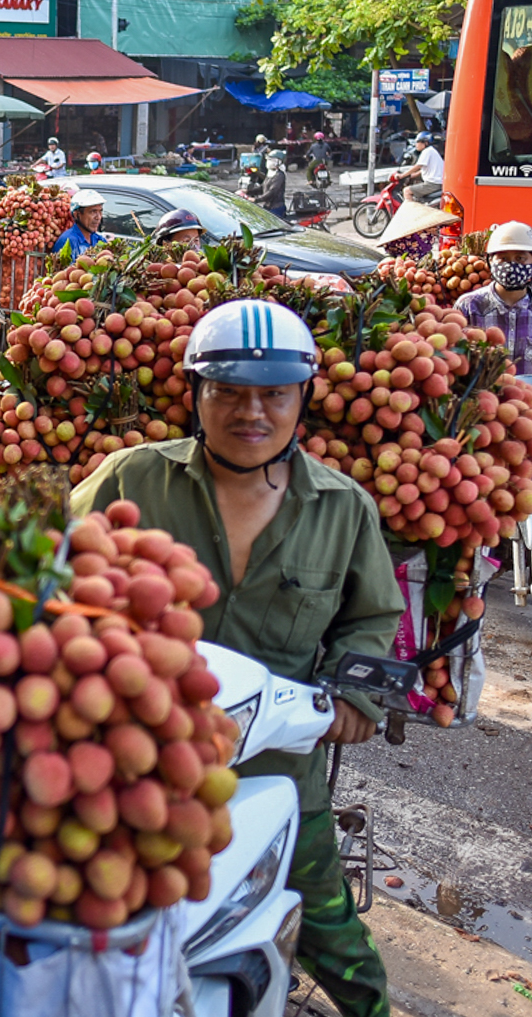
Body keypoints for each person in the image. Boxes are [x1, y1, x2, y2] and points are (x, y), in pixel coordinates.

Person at [72, 299, 400, 1017]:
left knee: (331, 927)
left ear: (301, 399)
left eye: (274, 395)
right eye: (229, 393)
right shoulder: (133, 480)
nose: (252, 412)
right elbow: (49, 567)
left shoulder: (342, 508)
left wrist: (354, 697)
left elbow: (373, 619)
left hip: (278, 763)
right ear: (197, 395)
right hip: (133, 755)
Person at [455, 221, 532, 377]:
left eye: (520, 258)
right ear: (490, 262)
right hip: (483, 399)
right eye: (503, 258)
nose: (511, 265)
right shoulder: (469, 306)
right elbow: (452, 356)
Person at [50, 189, 110, 259]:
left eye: (100, 211)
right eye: (93, 212)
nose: (98, 217)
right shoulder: (68, 242)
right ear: (77, 215)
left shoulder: (99, 240)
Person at [403, 132, 444, 203]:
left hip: (433, 184)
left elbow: (418, 166)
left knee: (407, 191)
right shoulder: (432, 151)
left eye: (418, 142)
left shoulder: (427, 151)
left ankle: (410, 213)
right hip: (437, 183)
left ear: (425, 143)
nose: (416, 144)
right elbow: (426, 167)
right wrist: (415, 175)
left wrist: (402, 175)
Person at [252, 151, 288, 219]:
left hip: (276, 208)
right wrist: (247, 191)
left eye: (271, 160)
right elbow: (262, 187)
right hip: (267, 207)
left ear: (278, 162)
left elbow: (272, 192)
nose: (269, 162)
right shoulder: (270, 173)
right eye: (268, 160)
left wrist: (256, 200)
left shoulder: (279, 175)